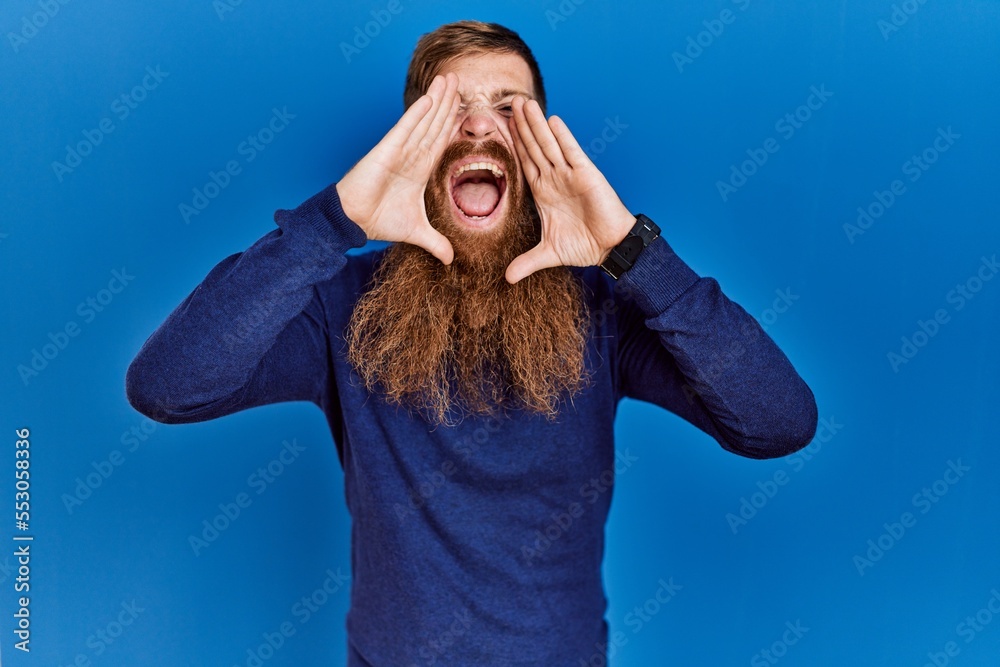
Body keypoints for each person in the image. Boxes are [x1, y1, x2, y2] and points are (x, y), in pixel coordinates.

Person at [126, 20, 818, 666]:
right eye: (450, 106)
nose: (482, 125)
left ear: (542, 147)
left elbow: (779, 423)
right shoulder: (340, 303)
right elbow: (166, 387)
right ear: (414, 142)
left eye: (510, 108)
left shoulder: (606, 306)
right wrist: (332, 223)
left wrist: (631, 252)